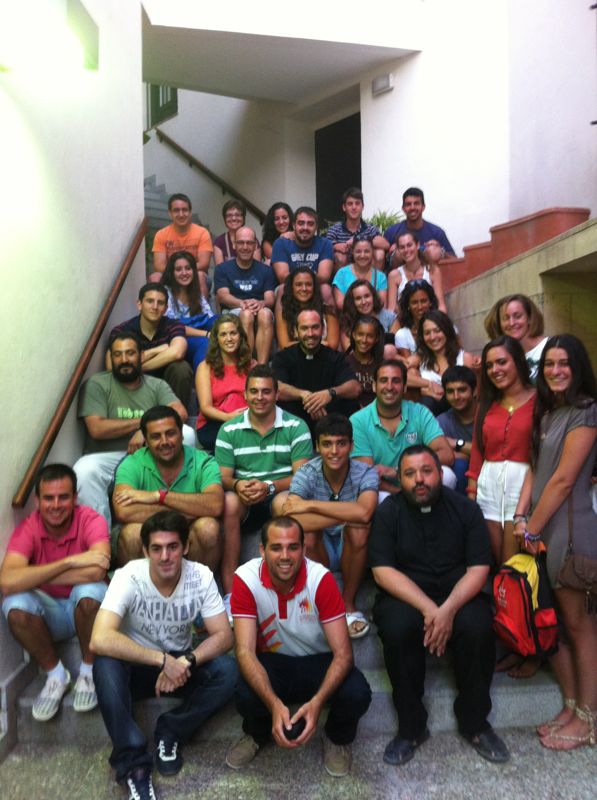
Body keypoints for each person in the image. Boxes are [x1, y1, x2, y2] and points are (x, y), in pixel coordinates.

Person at [369, 446, 509, 765]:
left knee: (477, 627)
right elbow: (382, 571)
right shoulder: (388, 512)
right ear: (400, 478)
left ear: (439, 474)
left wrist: (447, 610)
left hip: (458, 593)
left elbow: (479, 569)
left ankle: (475, 724)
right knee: (397, 627)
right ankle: (411, 728)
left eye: (426, 471)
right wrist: (431, 611)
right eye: (410, 473)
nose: (419, 479)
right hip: (407, 595)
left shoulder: (466, 510)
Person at [90, 510, 236, 799]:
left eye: (172, 547)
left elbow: (224, 636)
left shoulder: (200, 576)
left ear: (186, 547)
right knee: (104, 663)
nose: (165, 556)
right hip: (136, 666)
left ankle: (171, 730)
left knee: (229, 672)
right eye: (156, 548)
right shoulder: (129, 576)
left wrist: (185, 661)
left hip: (179, 665)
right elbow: (99, 638)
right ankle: (134, 766)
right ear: (145, 551)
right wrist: (162, 661)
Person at [226, 516, 372, 776]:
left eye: (293, 547)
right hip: (274, 663)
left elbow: (343, 655)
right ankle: (258, 733)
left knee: (358, 692)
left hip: (318, 661)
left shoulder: (320, 579)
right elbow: (244, 652)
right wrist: (273, 704)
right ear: (262, 550)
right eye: (276, 547)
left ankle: (337, 738)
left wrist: (317, 703)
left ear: (304, 549)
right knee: (244, 692)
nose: (285, 556)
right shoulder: (246, 579)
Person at [513, 334, 597, 751]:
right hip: (543, 528)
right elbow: (536, 470)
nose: (556, 370)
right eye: (549, 364)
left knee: (581, 628)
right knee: (560, 626)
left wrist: (531, 528)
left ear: (578, 367)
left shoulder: (586, 411)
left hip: (569, 532)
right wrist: (522, 518)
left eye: (564, 363)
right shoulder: (549, 413)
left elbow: (563, 480)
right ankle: (571, 707)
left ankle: (588, 720)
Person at [0, 464, 110, 722]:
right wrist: (70, 562)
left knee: (90, 590)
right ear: (37, 501)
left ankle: (88, 672)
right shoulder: (29, 527)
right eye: (49, 498)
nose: (56, 505)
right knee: (14, 604)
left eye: (63, 497)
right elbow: (7, 582)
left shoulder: (91, 520)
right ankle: (56, 675)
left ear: (75, 498)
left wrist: (34, 575)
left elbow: (97, 570)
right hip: (51, 615)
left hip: (89, 611)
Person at [215, 365, 313, 608]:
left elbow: (302, 476)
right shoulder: (229, 429)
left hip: (279, 492)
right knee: (228, 502)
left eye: (266, 391)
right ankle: (230, 595)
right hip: (245, 496)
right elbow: (223, 477)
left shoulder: (296, 426)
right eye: (254, 391)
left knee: (286, 503)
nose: (260, 397)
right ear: (245, 394)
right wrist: (238, 484)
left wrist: (269, 486)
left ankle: (290, 589)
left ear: (277, 394)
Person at [74, 332, 191, 526]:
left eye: (130, 353)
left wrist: (145, 432)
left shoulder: (156, 385)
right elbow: (97, 428)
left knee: (186, 433)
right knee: (83, 470)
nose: (124, 360)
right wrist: (145, 423)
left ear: (141, 356)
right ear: (111, 358)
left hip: (149, 453)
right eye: (117, 354)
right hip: (108, 456)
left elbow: (180, 413)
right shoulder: (97, 384)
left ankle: (183, 511)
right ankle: (100, 537)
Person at [282, 414, 379, 638]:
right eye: (327, 444)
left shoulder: (365, 472)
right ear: (317, 447)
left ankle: (347, 603)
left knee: (359, 529)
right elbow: (293, 518)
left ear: (351, 446)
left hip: (351, 546)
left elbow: (365, 513)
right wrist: (347, 514)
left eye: (341, 444)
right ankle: (328, 601)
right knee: (306, 533)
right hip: (320, 547)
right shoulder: (307, 472)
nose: (334, 451)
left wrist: (311, 505)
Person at [112, 406, 224, 569]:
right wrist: (191, 510)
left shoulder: (203, 461)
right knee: (131, 534)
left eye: (170, 433)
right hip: (150, 533)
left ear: (182, 434)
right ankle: (141, 587)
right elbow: (124, 511)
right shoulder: (132, 463)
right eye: (156, 436)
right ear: (146, 440)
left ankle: (195, 584)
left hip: (189, 535)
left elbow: (215, 505)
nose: (164, 442)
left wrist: (159, 496)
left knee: (208, 528)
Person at [467, 336, 535, 568]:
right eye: (489, 365)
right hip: (488, 484)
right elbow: (477, 452)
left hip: (523, 483)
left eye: (502, 362)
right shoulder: (486, 403)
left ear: (518, 361)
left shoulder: (540, 401)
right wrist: (471, 494)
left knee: (511, 562)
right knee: (495, 562)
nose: (495, 370)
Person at [351, 359, 456, 497]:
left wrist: (399, 470)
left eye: (396, 381)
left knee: (447, 475)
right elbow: (366, 475)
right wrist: (403, 495)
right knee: (377, 495)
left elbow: (447, 454)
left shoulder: (420, 412)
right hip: (385, 491)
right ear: (374, 386)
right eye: (383, 380)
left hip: (418, 484)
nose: (389, 387)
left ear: (405, 387)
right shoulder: (358, 421)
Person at [273, 308, 361, 437]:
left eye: (315, 327)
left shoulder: (335, 357)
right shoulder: (283, 357)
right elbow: (276, 388)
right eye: (304, 328)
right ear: (296, 331)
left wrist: (330, 393)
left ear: (323, 330)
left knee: (349, 402)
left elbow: (355, 388)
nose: (310, 333)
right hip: (293, 429)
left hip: (330, 428)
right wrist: (304, 395)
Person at [108, 283, 193, 410]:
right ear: (139, 304)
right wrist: (156, 351)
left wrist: (136, 368)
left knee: (181, 368)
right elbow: (111, 367)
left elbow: (177, 352)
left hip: (166, 382)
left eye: (160, 303)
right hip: (134, 384)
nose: (155, 307)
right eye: (150, 301)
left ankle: (176, 416)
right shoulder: (122, 331)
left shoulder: (173, 325)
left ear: (166, 308)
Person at [214, 226, 276, 363]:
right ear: (234, 245)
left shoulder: (266, 270)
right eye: (241, 242)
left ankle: (261, 367)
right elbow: (222, 296)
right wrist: (241, 303)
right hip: (233, 309)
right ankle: (246, 364)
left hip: (259, 308)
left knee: (265, 314)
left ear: (255, 246)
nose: (245, 247)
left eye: (249, 243)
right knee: (246, 314)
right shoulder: (222, 269)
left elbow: (270, 298)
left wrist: (261, 303)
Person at [195, 315, 254, 452]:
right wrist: (229, 417)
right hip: (214, 423)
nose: (229, 339)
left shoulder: (251, 365)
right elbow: (205, 407)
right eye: (223, 334)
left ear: (240, 336)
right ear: (217, 339)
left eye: (233, 333)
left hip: (247, 421)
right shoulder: (205, 367)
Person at [407, 310, 476, 415]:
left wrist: (440, 395)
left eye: (437, 330)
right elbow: (398, 374)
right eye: (427, 333)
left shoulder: (464, 358)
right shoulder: (420, 359)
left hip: (462, 413)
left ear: (446, 330)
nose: (432, 337)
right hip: (433, 415)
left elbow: (473, 394)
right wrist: (428, 383)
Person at [159, 250, 217, 370]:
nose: (184, 273)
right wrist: (207, 334)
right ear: (172, 272)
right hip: (177, 339)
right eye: (178, 269)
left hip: (198, 332)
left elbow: (211, 318)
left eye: (188, 268)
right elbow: (171, 326)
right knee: (205, 342)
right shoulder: (165, 293)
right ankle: (201, 377)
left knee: (220, 320)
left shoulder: (196, 293)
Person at [152, 193, 213, 299]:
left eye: (184, 210)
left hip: (195, 276)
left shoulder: (202, 233)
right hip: (171, 275)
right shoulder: (161, 234)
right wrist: (178, 272)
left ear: (190, 212)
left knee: (200, 275)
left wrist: (184, 272)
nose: (181, 214)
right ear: (170, 213)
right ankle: (160, 310)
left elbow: (203, 264)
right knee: (155, 277)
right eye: (176, 210)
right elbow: (159, 266)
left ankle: (201, 310)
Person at [271, 206, 334, 304]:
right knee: (282, 288)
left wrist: (304, 283)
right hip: (290, 286)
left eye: (310, 224)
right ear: (294, 225)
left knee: (325, 289)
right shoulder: (280, 243)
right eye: (301, 223)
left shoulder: (325, 244)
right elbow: (283, 277)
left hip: (314, 286)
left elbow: (324, 276)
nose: (305, 228)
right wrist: (305, 281)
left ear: (316, 227)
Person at [484, 294, 549, 382]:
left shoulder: (550, 347)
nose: (512, 323)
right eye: (506, 318)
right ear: (499, 323)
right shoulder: (500, 357)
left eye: (518, 316)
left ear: (529, 318)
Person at [276, 267, 340, 351]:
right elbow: (284, 345)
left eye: (308, 284)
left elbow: (333, 345)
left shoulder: (328, 311)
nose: (304, 289)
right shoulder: (285, 313)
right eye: (299, 285)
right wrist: (318, 344)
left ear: (314, 287)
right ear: (291, 287)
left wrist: (301, 344)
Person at [383, 187, 455, 261]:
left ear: (423, 207)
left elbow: (454, 260)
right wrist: (391, 252)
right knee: (399, 253)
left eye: (416, 203)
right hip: (399, 268)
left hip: (429, 268)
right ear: (403, 208)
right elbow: (381, 259)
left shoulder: (437, 233)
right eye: (408, 204)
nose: (412, 207)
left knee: (433, 251)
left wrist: (441, 251)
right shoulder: (392, 232)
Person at [437, 366, 478, 494]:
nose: (456, 396)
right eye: (450, 391)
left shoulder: (488, 415)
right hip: (461, 477)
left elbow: (491, 453)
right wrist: (468, 454)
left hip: (491, 472)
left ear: (475, 391)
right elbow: (434, 454)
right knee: (460, 465)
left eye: (462, 390)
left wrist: (456, 444)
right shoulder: (442, 421)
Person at [325, 187, 388, 269]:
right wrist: (335, 246)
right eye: (350, 204)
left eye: (357, 203)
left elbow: (386, 245)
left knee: (379, 253)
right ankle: (344, 278)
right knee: (339, 256)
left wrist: (357, 240)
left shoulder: (370, 229)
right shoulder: (334, 230)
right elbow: (324, 248)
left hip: (367, 269)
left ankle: (374, 278)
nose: (354, 207)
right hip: (344, 271)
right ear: (344, 207)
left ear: (362, 207)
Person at [386, 231, 446, 313]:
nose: (406, 250)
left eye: (409, 245)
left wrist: (441, 319)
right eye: (402, 247)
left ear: (417, 245)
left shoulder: (433, 270)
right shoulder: (394, 275)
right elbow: (391, 309)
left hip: (430, 317)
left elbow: (441, 305)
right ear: (398, 250)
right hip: (406, 318)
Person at [340, 279, 398, 352]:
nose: (363, 302)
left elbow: (397, 346)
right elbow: (350, 352)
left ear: (373, 296)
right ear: (352, 302)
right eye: (358, 298)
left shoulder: (390, 317)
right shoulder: (348, 321)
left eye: (367, 296)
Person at [333, 238, 388, 310]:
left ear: (372, 252)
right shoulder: (342, 274)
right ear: (352, 252)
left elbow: (382, 304)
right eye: (358, 252)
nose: (362, 255)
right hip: (350, 315)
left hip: (374, 315)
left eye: (366, 251)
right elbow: (340, 303)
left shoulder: (380, 277)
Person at [394, 279, 439, 363]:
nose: (420, 307)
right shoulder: (402, 335)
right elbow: (409, 365)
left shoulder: (445, 327)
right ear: (408, 305)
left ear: (430, 302)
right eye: (414, 302)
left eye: (423, 301)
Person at [344, 316, 385, 408]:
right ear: (353, 335)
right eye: (360, 334)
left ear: (376, 339)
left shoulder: (382, 365)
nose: (364, 340)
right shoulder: (344, 363)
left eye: (370, 336)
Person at [213, 199, 261, 264]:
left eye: (237, 215)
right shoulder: (219, 242)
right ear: (225, 219)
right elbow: (220, 269)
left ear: (243, 218)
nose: (234, 218)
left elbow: (257, 267)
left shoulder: (252, 239)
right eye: (229, 215)